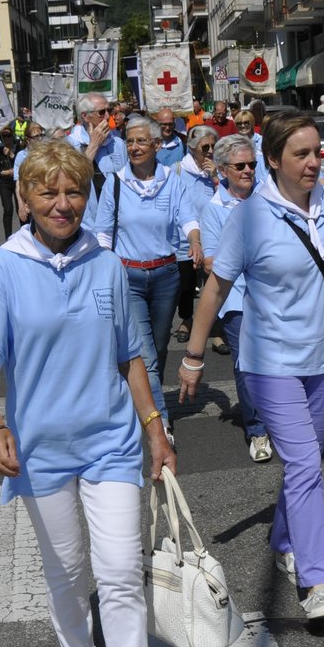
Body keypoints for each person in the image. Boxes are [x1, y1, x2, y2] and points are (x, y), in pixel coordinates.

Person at [0, 140, 174, 647]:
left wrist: (154, 428)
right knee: (69, 566)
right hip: (41, 446)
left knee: (120, 567)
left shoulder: (105, 262)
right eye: (48, 192)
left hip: (110, 438)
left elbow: (131, 354)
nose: (62, 203)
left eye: (73, 191)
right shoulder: (2, 267)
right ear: (25, 198)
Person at [176, 112, 324, 624]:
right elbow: (216, 287)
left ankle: (285, 537)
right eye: (301, 154)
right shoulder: (251, 215)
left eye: (317, 152)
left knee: (303, 463)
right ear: (273, 161)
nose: (313, 162)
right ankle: (317, 580)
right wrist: (194, 355)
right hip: (270, 360)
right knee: (306, 465)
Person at [89, 115, 203, 427]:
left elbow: (187, 216)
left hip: (166, 275)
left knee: (161, 346)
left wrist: (194, 241)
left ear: (155, 145)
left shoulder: (171, 179)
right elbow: (101, 232)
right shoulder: (114, 182)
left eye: (141, 141)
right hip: (129, 278)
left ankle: (142, 396)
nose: (135, 147)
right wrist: (103, 266)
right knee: (147, 354)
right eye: (129, 141)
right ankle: (160, 423)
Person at [198, 132, 273, 463]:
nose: (248, 171)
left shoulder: (269, 196)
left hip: (273, 295)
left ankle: (280, 420)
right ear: (223, 170)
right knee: (247, 365)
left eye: (252, 165)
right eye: (240, 166)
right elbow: (213, 262)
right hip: (236, 298)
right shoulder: (213, 210)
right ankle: (257, 430)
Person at [171, 125, 219, 344]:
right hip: (185, 240)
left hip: (213, 238)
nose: (210, 151)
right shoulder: (178, 170)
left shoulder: (218, 171)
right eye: (205, 147)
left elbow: (229, 199)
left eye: (213, 146)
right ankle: (187, 319)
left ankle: (216, 329)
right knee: (187, 286)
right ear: (192, 148)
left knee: (214, 285)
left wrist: (217, 177)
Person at [66, 94, 128, 175]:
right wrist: (93, 145)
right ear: (85, 116)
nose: (107, 116)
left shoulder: (118, 142)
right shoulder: (68, 145)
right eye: (101, 112)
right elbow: (72, 181)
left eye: (109, 111)